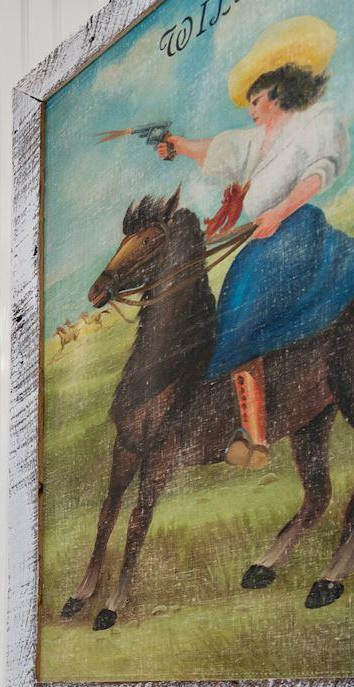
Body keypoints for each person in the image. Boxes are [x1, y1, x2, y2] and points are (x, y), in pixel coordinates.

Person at [159, 16, 354, 468]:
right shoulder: (260, 140)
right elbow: (219, 149)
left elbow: (318, 172)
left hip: (296, 229)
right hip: (266, 236)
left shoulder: (314, 122)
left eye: (256, 98)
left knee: (248, 298)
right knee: (233, 299)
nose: (251, 107)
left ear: (278, 94)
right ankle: (255, 436)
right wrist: (179, 145)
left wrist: (279, 213)